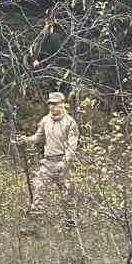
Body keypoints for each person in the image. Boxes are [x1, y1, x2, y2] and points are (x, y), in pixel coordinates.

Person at [15, 91, 80, 227]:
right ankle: (34, 227)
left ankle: (71, 225)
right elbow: (38, 137)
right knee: (39, 189)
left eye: (55, 104)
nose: (52, 107)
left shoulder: (70, 123)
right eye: (50, 104)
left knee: (67, 195)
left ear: (62, 104)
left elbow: (72, 146)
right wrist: (26, 140)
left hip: (64, 164)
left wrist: (65, 162)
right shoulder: (45, 120)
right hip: (48, 162)